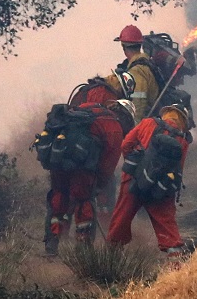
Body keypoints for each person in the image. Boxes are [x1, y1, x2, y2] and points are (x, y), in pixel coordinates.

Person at [43, 99, 136, 255]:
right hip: (83, 170)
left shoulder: (87, 107)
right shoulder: (115, 128)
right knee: (84, 203)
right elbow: (108, 165)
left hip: (58, 160)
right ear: (126, 117)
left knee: (58, 197)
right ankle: (83, 247)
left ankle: (52, 241)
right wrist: (99, 184)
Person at [106, 103, 190, 263]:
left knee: (120, 220)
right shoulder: (183, 140)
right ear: (182, 120)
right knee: (167, 228)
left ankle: (110, 262)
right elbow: (179, 169)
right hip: (160, 189)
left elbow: (125, 145)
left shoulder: (148, 123)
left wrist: (136, 167)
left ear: (167, 113)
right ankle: (178, 270)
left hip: (133, 182)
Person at [114, 25, 162, 122]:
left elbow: (138, 105)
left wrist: (134, 131)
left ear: (124, 47)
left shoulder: (136, 71)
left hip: (145, 123)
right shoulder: (146, 64)